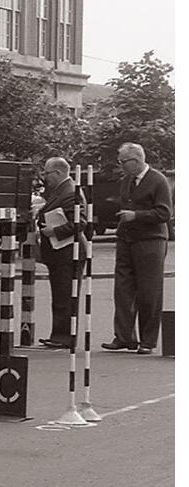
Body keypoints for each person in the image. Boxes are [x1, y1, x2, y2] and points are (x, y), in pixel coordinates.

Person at [101, 142, 172, 354]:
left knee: (149, 292)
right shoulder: (127, 180)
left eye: (123, 162)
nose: (121, 165)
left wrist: (136, 216)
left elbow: (165, 213)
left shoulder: (158, 181)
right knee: (122, 290)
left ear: (137, 160)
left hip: (150, 241)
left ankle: (148, 341)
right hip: (127, 240)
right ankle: (124, 337)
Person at [34, 157, 84, 349]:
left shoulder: (71, 193)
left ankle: (65, 337)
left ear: (58, 173)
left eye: (47, 173)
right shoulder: (60, 191)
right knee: (60, 297)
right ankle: (58, 335)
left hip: (68, 252)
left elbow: (80, 223)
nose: (45, 178)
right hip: (58, 253)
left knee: (66, 298)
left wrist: (54, 231)